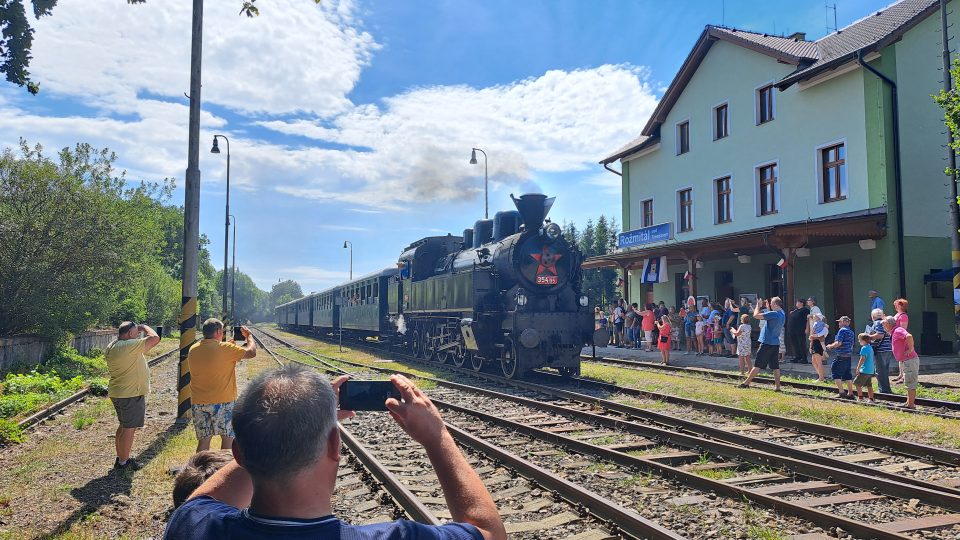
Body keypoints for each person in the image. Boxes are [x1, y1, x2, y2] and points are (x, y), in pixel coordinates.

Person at [164, 366, 506, 540]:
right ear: (335, 445)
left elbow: (202, 497)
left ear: (238, 453)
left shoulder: (193, 524)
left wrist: (299, 419)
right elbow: (489, 532)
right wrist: (438, 437)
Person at [187, 319, 257, 452]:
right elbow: (251, 352)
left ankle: (200, 469)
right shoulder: (225, 349)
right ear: (218, 331)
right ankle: (222, 470)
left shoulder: (193, 349)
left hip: (199, 402)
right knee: (227, 440)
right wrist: (249, 336)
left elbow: (212, 359)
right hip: (223, 402)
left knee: (203, 441)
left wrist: (228, 347)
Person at [105, 321, 161, 470]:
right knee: (129, 428)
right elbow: (155, 338)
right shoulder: (128, 346)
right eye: (136, 332)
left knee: (123, 426)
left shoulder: (113, 346)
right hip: (130, 394)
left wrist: (138, 329)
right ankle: (124, 462)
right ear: (130, 333)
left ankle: (120, 457)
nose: (138, 334)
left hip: (120, 392)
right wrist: (144, 327)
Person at [739, 297, 784, 391]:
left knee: (757, 364)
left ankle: (746, 383)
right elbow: (771, 318)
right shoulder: (782, 313)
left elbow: (756, 315)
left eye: (771, 303)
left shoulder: (773, 313)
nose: (770, 305)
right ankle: (777, 387)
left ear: (775, 304)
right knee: (775, 366)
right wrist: (768, 308)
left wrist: (757, 306)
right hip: (775, 343)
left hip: (767, 342)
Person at [887, 315, 920, 409]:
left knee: (910, 383)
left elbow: (909, 336)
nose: (883, 326)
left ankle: (911, 405)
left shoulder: (898, 330)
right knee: (908, 383)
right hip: (906, 361)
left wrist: (910, 348)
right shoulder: (894, 331)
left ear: (889, 324)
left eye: (884, 324)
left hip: (910, 360)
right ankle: (908, 402)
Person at [826, 316, 855, 399]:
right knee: (847, 374)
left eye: (839, 322)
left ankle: (841, 392)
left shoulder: (842, 330)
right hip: (848, 356)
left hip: (841, 355)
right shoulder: (851, 332)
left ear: (843, 322)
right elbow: (852, 345)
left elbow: (839, 343)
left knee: (835, 372)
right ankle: (850, 392)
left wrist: (830, 346)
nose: (838, 324)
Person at [868, 308, 893, 394]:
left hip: (880, 349)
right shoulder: (884, 323)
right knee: (885, 370)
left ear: (873, 316)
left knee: (880, 370)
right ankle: (886, 388)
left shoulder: (877, 323)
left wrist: (868, 337)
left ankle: (884, 390)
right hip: (888, 348)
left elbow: (880, 335)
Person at [854, 333, 876, 403]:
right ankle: (871, 399)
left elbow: (862, 359)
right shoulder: (870, 347)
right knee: (869, 385)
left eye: (859, 340)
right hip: (870, 370)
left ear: (864, 340)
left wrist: (858, 368)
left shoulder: (864, 348)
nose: (859, 341)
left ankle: (860, 398)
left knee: (856, 383)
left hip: (864, 370)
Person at [809, 314, 829, 383]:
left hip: (818, 344)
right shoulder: (816, 325)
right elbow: (812, 336)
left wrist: (813, 336)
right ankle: (821, 376)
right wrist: (811, 344)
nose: (814, 318)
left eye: (816, 317)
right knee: (814, 361)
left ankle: (821, 378)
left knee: (818, 362)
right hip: (814, 343)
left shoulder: (824, 327)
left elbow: (822, 336)